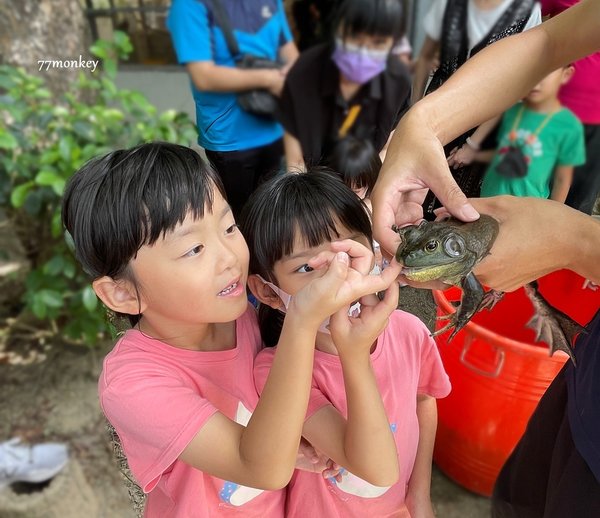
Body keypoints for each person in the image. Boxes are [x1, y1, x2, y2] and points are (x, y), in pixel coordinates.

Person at [61, 142, 398, 517]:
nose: (231, 258)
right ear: (122, 293)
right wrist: (301, 322)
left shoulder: (238, 315)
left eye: (229, 226)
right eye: (194, 249)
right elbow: (262, 468)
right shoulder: (132, 385)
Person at [369, 1, 600, 516]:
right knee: (522, 494)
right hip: (587, 387)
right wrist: (422, 123)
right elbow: (550, 41)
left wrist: (576, 241)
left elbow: (473, 283)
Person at [240, 170, 451, 518]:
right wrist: (353, 354)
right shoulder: (277, 372)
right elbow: (373, 467)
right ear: (267, 291)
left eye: (348, 253)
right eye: (308, 267)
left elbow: (424, 400)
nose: (340, 278)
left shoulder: (411, 332)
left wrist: (419, 495)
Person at [167, 0, 299, 218]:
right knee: (240, 216)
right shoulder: (189, 6)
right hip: (229, 138)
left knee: (279, 216)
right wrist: (269, 79)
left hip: (276, 125)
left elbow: (289, 54)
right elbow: (204, 76)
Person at [412, 0, 542, 213]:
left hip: (483, 119)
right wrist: (414, 113)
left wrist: (473, 144)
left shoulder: (527, 11)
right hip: (436, 108)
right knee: (417, 189)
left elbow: (512, 86)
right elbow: (426, 56)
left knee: (455, 206)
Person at [278, 0, 411, 172]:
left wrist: (367, 191)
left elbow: (388, 149)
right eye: (355, 37)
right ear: (337, 29)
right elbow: (295, 163)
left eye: (378, 43)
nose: (363, 53)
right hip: (312, 184)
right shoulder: (303, 74)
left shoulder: (397, 82)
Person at [448, 65, 585, 202]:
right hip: (489, 200)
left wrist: (552, 217)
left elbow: (563, 180)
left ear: (565, 74)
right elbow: (503, 153)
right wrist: (471, 152)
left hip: (529, 210)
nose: (537, 81)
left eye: (547, 73)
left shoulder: (569, 126)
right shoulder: (512, 109)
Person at [542, 0, 600, 215]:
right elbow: (522, 16)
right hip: (550, 111)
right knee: (531, 187)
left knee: (579, 203)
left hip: (596, 121)